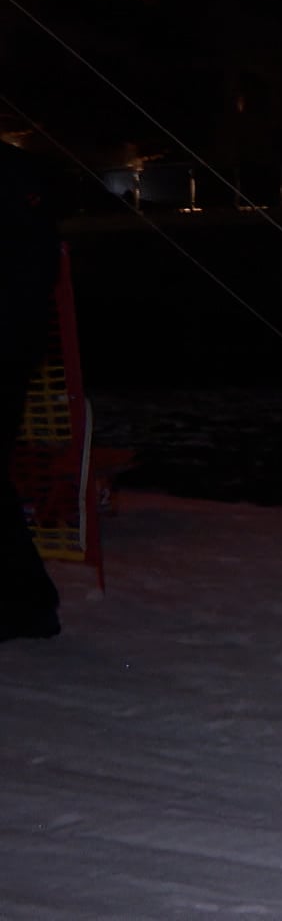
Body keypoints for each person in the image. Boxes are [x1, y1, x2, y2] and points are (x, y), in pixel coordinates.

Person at [1, 143, 66, 644]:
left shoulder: (17, 177)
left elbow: (30, 270)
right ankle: (30, 604)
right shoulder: (22, 173)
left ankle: (28, 605)